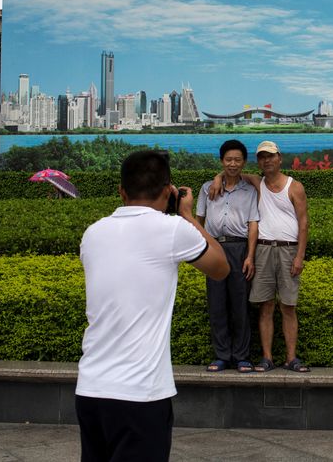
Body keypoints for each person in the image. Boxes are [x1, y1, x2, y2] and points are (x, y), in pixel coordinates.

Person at [75, 150, 228, 462]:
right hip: (140, 394)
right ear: (167, 190)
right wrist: (186, 215)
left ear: (121, 191)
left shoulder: (93, 233)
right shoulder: (173, 229)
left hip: (91, 389)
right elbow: (220, 267)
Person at [209, 140, 310, 373]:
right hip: (263, 249)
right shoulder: (257, 182)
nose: (267, 160)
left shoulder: (294, 187)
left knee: (288, 306)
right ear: (258, 161)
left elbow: (304, 223)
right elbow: (230, 172)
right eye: (262, 157)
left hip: (288, 250)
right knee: (265, 306)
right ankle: (267, 358)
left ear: (279, 158)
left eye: (271, 156)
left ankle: (291, 358)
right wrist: (216, 179)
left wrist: (299, 256)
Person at [196, 139, 259, 373]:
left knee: (240, 304)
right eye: (228, 159)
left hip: (239, 248)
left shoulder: (250, 190)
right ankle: (221, 355)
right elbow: (199, 221)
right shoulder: (206, 188)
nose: (233, 164)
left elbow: (253, 224)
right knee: (217, 304)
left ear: (244, 162)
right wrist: (202, 250)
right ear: (222, 161)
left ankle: (242, 356)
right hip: (214, 248)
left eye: (237, 160)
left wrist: (250, 256)